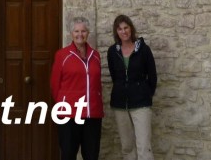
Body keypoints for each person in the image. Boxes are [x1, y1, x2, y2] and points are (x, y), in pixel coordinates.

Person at [50, 16, 103, 160]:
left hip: (92, 113)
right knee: (68, 154)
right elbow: (55, 85)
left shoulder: (95, 55)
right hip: (69, 114)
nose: (80, 34)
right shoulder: (62, 55)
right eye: (76, 31)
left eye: (83, 31)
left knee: (91, 155)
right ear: (71, 33)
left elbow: (97, 84)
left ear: (88, 33)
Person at [107, 14, 157, 160]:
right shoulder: (112, 52)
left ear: (131, 28)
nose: (124, 31)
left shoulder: (144, 50)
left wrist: (146, 93)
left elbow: (152, 76)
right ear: (116, 32)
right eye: (120, 29)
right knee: (127, 147)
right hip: (120, 104)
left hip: (141, 104)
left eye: (126, 27)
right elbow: (114, 76)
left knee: (144, 147)